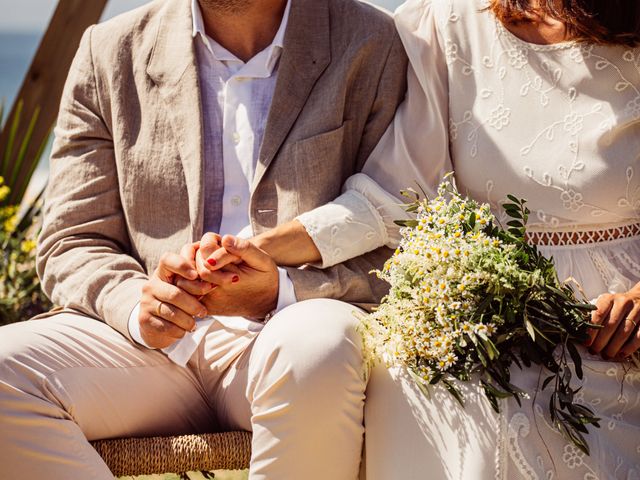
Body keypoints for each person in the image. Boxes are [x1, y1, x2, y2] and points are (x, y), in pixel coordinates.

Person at [202, 0, 640, 477]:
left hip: (616, 333)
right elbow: (393, 198)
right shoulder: (450, 22)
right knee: (410, 380)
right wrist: (252, 253)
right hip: (474, 316)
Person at [0, 0, 408, 478]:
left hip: (291, 334)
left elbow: (401, 230)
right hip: (142, 350)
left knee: (316, 347)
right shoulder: (107, 50)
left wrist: (281, 292)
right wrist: (141, 307)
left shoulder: (375, 42)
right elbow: (71, 238)